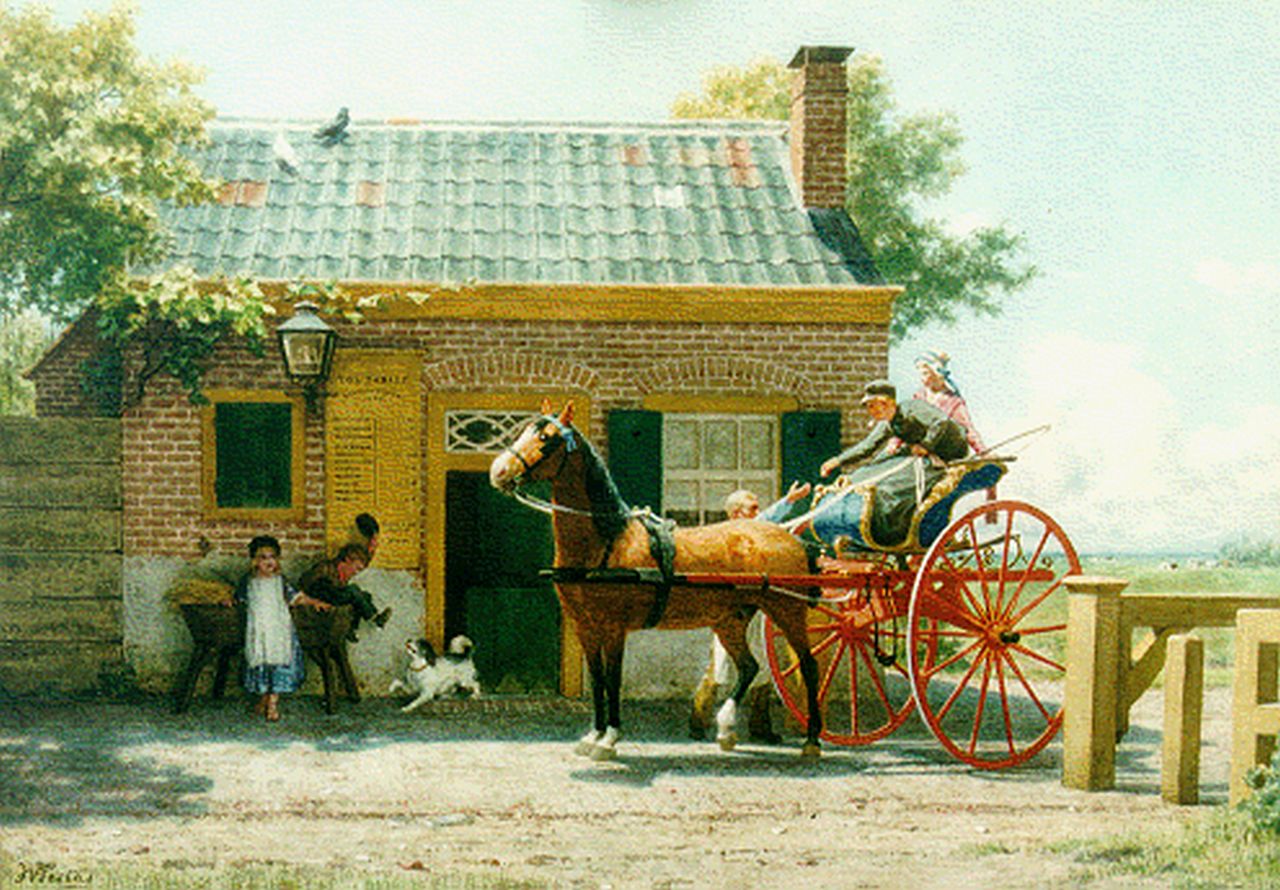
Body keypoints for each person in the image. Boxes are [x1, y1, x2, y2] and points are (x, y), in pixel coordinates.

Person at [690, 481, 812, 744]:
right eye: (752, 509)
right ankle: (698, 719)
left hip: (756, 607)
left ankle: (759, 725)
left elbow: (767, 527)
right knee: (720, 667)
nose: (757, 514)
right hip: (729, 609)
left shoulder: (753, 536)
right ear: (736, 514)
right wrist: (788, 501)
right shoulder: (732, 536)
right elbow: (766, 522)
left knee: (764, 666)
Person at [813, 379, 969, 549]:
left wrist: (926, 445)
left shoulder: (913, 408)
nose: (870, 411)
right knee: (868, 472)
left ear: (886, 403)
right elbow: (867, 446)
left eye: (872, 405)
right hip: (918, 454)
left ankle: (893, 530)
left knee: (893, 485)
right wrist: (837, 461)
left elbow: (941, 423)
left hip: (945, 455)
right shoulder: (888, 423)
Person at [231, 534, 331, 722]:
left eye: (272, 557)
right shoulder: (248, 582)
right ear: (254, 561)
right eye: (263, 557)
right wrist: (228, 600)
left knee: (277, 665)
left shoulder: (281, 581)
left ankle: (273, 704)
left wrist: (314, 602)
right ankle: (263, 697)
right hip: (259, 630)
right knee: (261, 664)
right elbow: (238, 599)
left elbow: (297, 598)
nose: (269, 562)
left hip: (278, 630)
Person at [297, 543, 391, 642]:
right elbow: (304, 581)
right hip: (322, 596)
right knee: (353, 590)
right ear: (347, 560)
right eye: (357, 568)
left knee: (365, 596)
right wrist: (313, 600)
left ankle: (352, 630)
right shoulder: (326, 567)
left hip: (334, 596)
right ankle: (375, 618)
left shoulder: (343, 576)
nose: (356, 573)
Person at [913, 350, 986, 455]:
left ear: (937, 374)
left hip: (943, 454)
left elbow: (968, 430)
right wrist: (894, 444)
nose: (922, 379)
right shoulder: (919, 397)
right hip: (918, 451)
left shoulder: (953, 402)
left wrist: (983, 452)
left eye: (925, 373)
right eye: (921, 374)